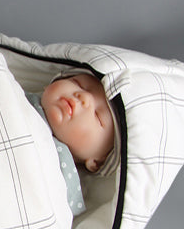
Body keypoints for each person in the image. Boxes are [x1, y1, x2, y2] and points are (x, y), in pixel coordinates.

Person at [26, 71, 118, 216]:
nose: (84, 96)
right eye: (78, 84)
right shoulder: (15, 90)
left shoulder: (66, 183)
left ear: (96, 162)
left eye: (97, 116)